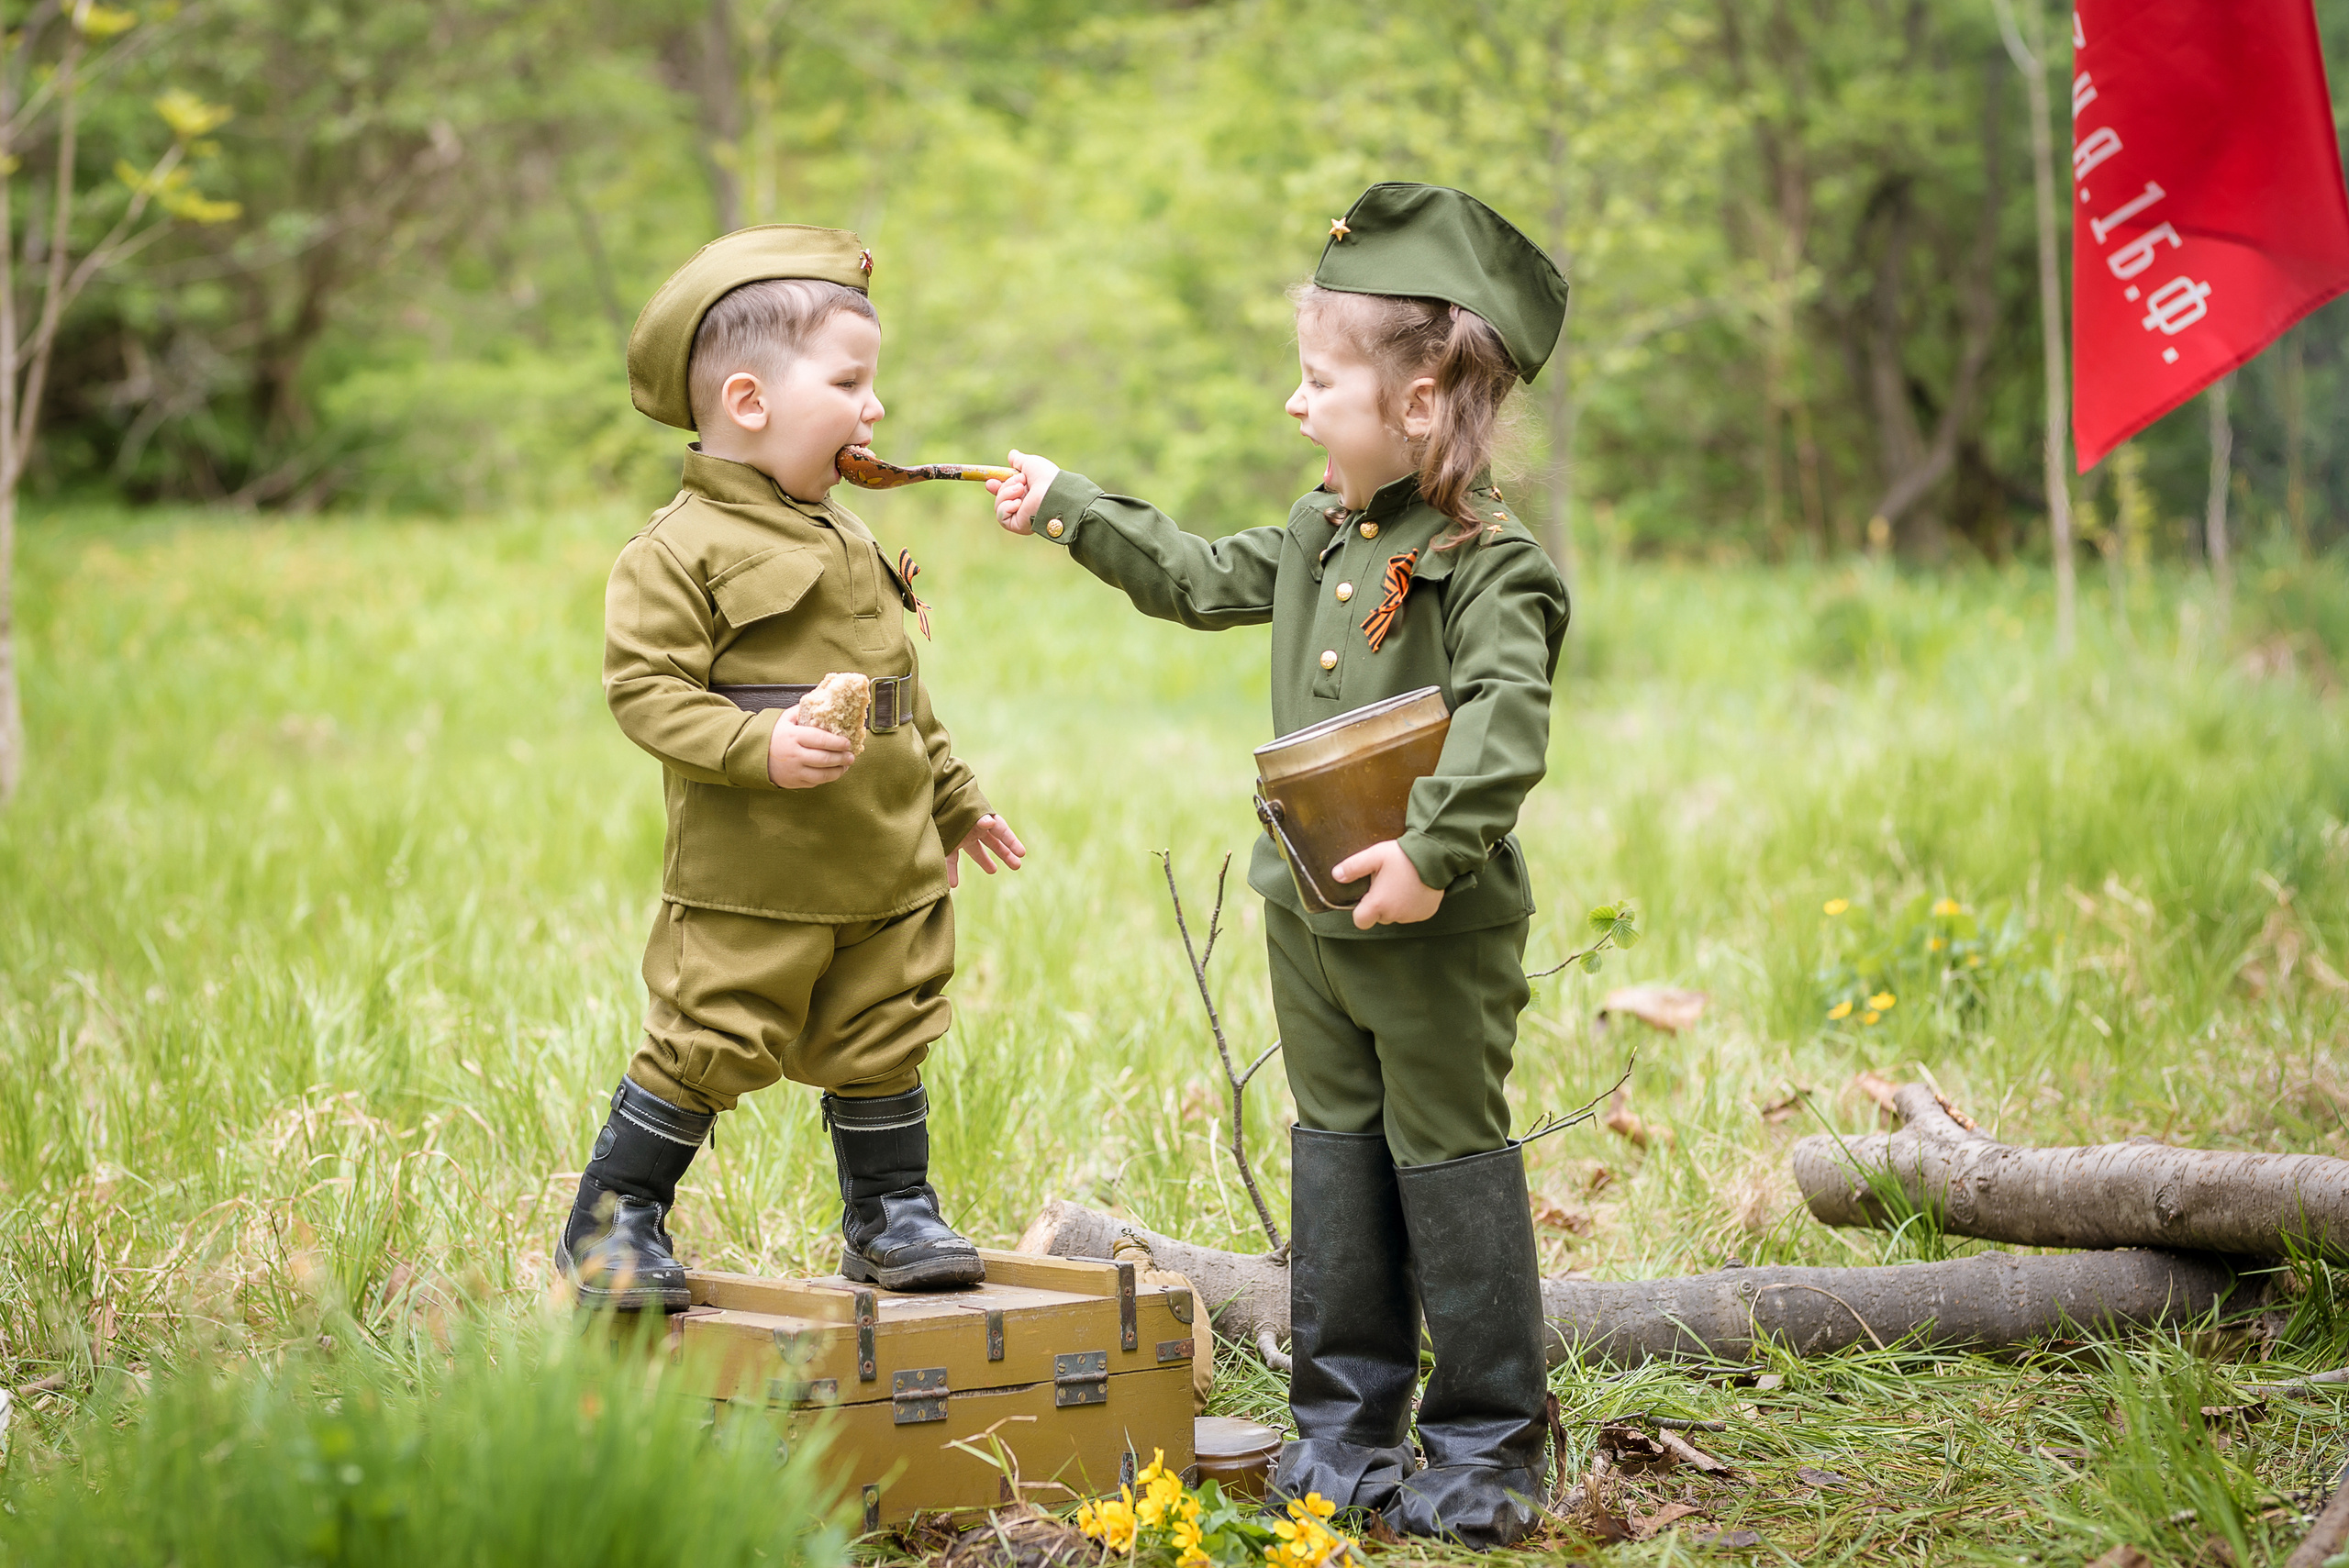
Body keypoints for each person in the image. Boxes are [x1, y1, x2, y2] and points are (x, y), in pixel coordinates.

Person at [988, 183, 1571, 1548]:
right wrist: (1073, 507)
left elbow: (1504, 719)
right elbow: (1196, 574)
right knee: (1338, 1150)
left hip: (1433, 929)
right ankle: (1345, 1428)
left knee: (1451, 1159)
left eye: (1320, 382)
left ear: (1421, 403)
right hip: (1304, 919)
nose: (1295, 408)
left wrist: (1433, 852)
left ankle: (1489, 1444)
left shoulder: (1494, 567)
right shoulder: (1321, 531)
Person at [559, 224, 1027, 1311]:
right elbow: (645, 691)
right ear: (750, 402)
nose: (874, 409)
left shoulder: (849, 535)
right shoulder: (676, 551)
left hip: (884, 865)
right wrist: (757, 745)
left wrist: (954, 802)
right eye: (850, 382)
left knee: (885, 1029)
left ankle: (890, 1211)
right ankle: (615, 1220)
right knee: (707, 1033)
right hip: (756, 874)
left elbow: (900, 692)